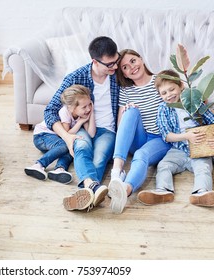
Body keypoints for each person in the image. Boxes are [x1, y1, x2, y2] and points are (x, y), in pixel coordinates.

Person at [43, 36, 121, 211]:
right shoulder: (76, 77)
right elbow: (50, 110)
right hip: (83, 126)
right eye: (109, 64)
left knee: (99, 158)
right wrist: (67, 137)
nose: (115, 67)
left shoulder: (118, 75)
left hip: (107, 130)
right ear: (95, 61)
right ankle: (91, 189)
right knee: (82, 147)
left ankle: (86, 191)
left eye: (116, 61)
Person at [137, 69, 214, 207]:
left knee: (203, 168)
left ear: (181, 86)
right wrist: (186, 136)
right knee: (163, 166)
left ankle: (201, 193)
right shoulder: (163, 109)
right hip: (178, 148)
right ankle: (163, 191)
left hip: (200, 148)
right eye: (164, 93)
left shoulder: (194, 101)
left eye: (171, 89)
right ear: (160, 96)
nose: (169, 95)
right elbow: (166, 135)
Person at [107, 49, 172, 214]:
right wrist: (126, 110)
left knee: (141, 156)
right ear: (125, 75)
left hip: (160, 138)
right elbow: (122, 127)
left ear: (141, 60)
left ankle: (125, 190)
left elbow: (184, 94)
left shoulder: (159, 80)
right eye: (125, 68)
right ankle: (117, 172)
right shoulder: (126, 90)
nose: (132, 67)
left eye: (133, 61)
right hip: (138, 138)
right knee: (131, 111)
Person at [24, 85, 96, 184]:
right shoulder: (65, 112)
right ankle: (39, 165)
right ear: (71, 108)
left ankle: (59, 169)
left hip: (55, 140)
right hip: (42, 136)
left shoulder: (83, 114)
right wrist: (80, 122)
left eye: (90, 105)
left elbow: (91, 134)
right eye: (84, 107)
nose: (88, 109)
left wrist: (92, 114)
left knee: (72, 148)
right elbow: (65, 135)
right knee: (65, 144)